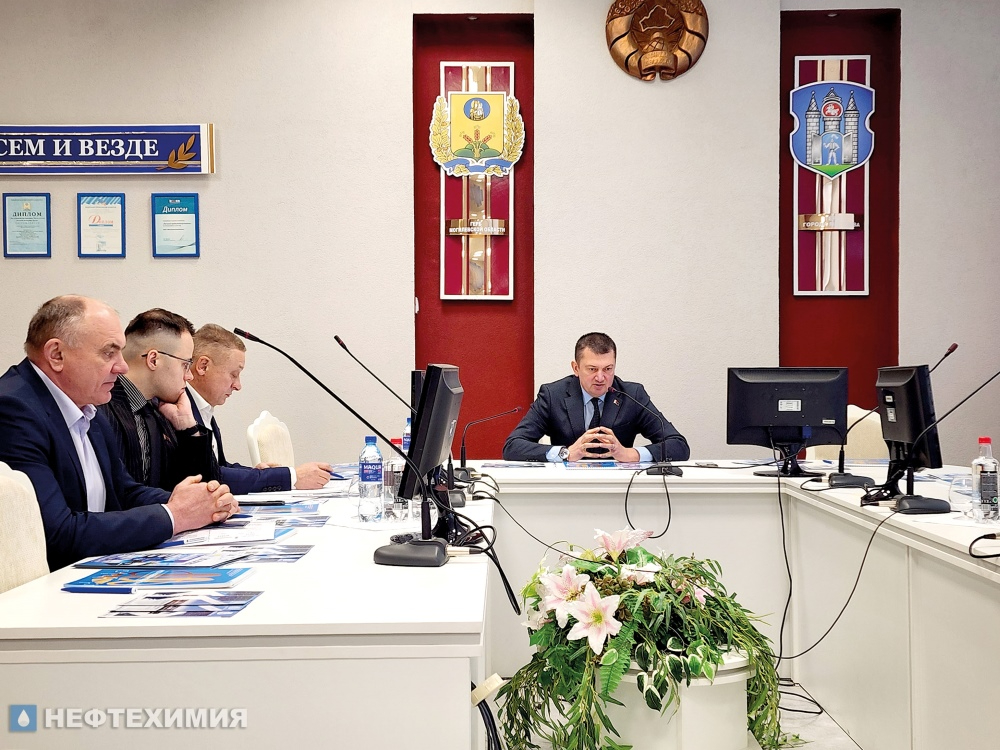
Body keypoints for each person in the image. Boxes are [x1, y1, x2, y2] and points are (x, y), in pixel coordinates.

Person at [0, 296, 238, 570]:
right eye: (108, 353)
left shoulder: (87, 404)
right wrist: (174, 515)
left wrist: (202, 502)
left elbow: (124, 491)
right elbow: (57, 534)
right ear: (56, 354)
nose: (123, 366)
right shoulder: (13, 411)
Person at [187, 324, 333, 493]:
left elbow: (219, 466)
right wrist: (291, 477)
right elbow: (209, 476)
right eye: (234, 375)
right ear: (203, 366)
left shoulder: (202, 409)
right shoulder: (180, 412)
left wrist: (259, 473)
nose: (238, 386)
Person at [503, 332, 689, 463]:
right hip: (567, 490)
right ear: (576, 368)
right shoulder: (553, 395)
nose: (601, 378)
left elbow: (678, 445)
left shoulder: (632, 395)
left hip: (620, 490)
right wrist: (565, 453)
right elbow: (513, 446)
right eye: (592, 369)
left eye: (608, 369)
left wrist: (630, 454)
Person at [98, 308, 219, 491]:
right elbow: (121, 496)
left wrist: (188, 427)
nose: (189, 376)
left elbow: (207, 487)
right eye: (185, 364)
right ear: (154, 360)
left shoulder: (160, 410)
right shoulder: (100, 408)